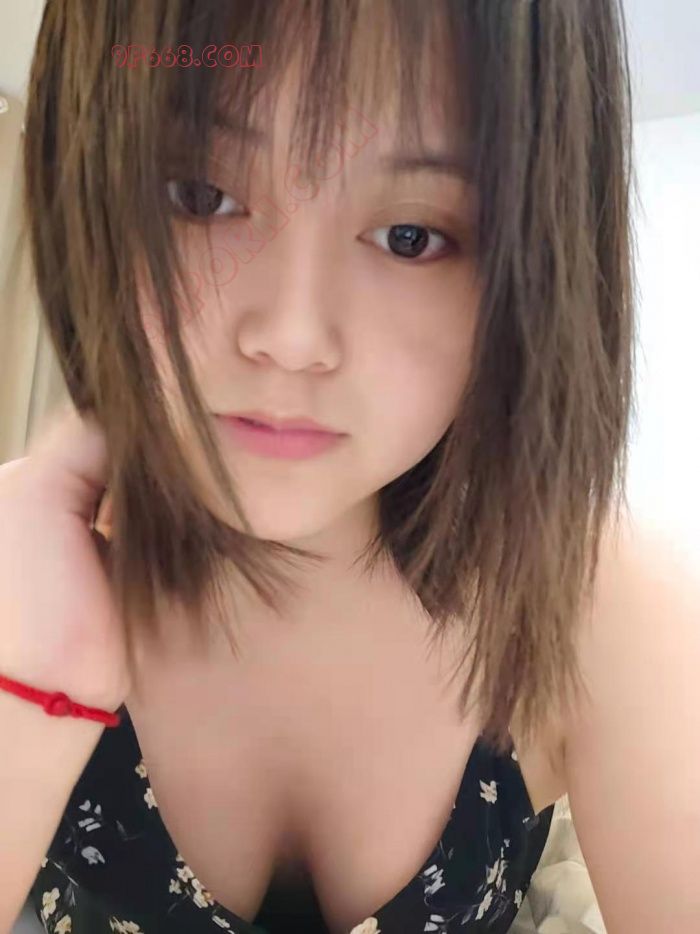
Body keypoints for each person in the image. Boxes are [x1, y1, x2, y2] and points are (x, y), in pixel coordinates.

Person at [1, 1, 698, 932]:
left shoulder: (592, 603)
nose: (291, 337)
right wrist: (32, 692)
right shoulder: (22, 564)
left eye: (412, 236)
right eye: (200, 195)